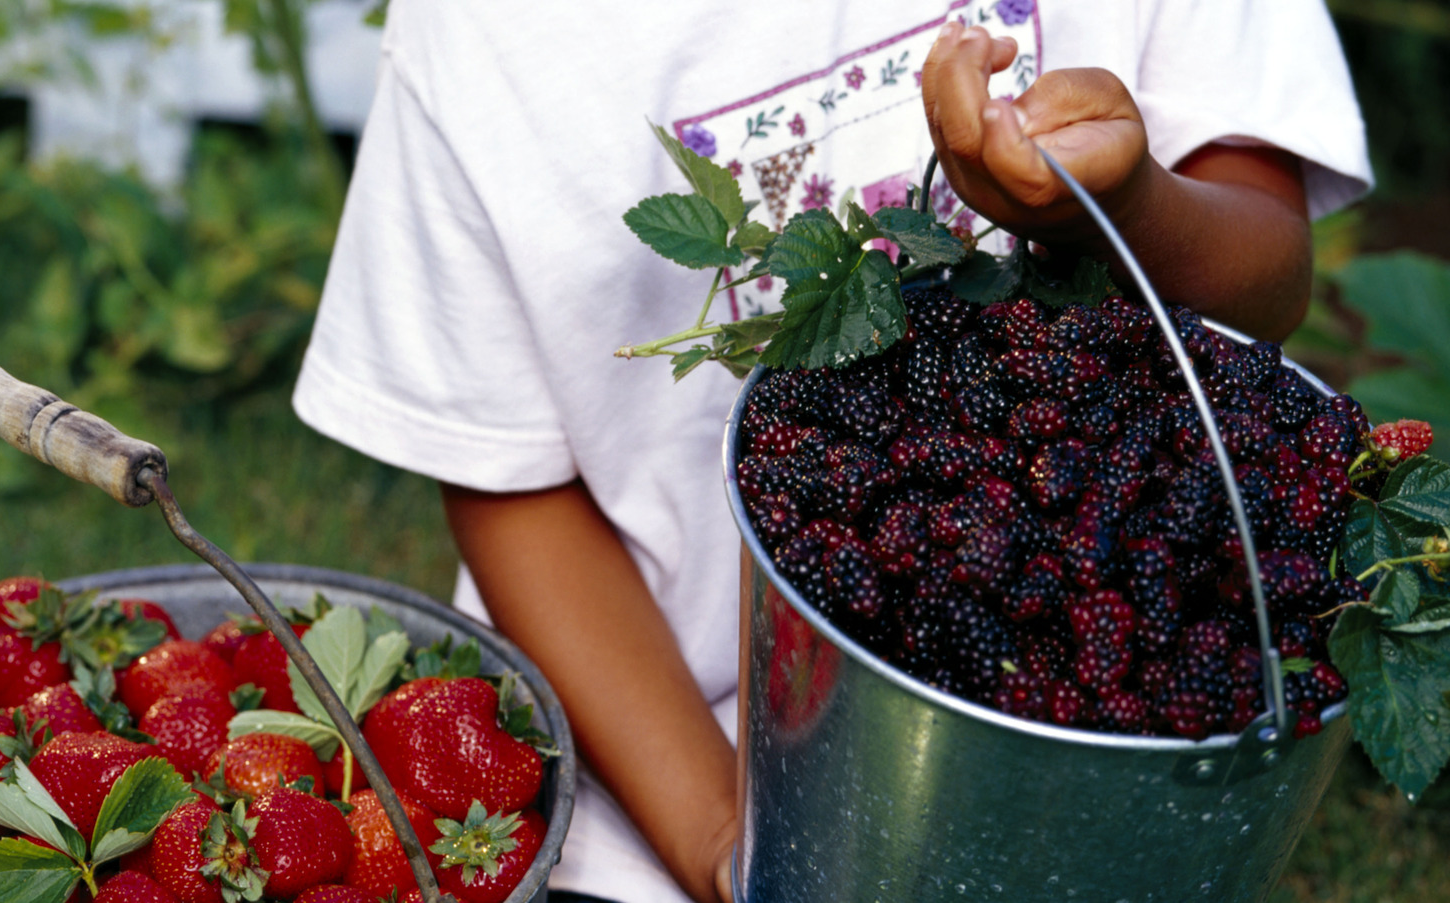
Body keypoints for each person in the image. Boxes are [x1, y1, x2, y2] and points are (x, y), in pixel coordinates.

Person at [291, 3, 1370, 902]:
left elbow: (1261, 283)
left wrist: (1122, 207)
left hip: (1089, 762)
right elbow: (510, 485)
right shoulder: (485, 39)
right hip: (672, 748)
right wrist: (728, 841)